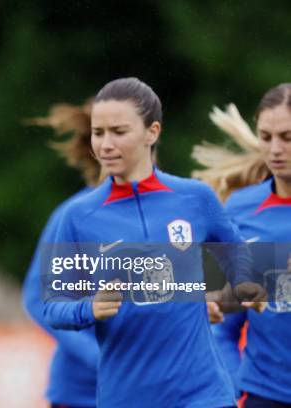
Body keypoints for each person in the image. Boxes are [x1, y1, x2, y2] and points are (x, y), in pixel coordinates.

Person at [42, 77, 264, 407]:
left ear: (153, 132)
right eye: (98, 132)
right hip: (128, 395)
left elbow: (236, 253)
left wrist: (245, 284)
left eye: (118, 132)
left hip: (204, 393)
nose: (105, 144)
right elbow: (52, 306)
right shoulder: (77, 216)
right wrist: (89, 308)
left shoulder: (195, 198)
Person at [193, 83, 291, 408]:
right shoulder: (238, 210)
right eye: (266, 137)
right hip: (264, 393)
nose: (275, 149)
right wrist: (232, 389)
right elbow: (221, 323)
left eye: (287, 138)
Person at [22, 99, 100, 408]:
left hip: (155, 392)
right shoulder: (73, 216)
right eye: (104, 133)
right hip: (82, 393)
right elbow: (38, 299)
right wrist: (99, 357)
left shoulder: (175, 207)